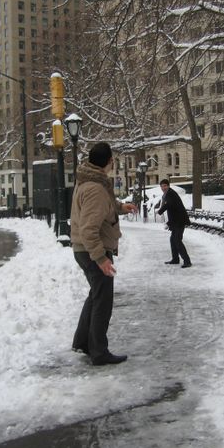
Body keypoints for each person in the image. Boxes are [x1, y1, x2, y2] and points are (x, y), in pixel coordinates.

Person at [70, 142, 137, 366]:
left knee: (96, 295)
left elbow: (102, 206)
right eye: (112, 159)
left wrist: (120, 207)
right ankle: (99, 352)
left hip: (84, 249)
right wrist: (100, 258)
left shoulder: (90, 180)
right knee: (103, 301)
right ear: (109, 161)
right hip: (91, 251)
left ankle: (82, 341)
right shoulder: (96, 188)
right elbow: (89, 229)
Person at [157, 179, 192, 268]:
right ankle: (175, 259)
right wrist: (169, 223)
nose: (163, 188)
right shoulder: (168, 194)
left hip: (180, 221)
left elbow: (169, 204)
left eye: (165, 186)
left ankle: (187, 261)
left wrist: (160, 211)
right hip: (176, 221)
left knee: (177, 240)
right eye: (162, 186)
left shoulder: (171, 194)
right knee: (173, 240)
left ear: (168, 186)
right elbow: (172, 209)